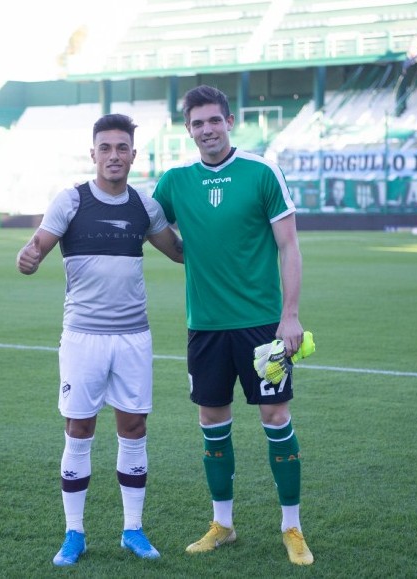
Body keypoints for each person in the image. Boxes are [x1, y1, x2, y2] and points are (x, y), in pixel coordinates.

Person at [152, 85, 314, 566]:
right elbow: (150, 224)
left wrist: (290, 315)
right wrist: (182, 254)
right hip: (204, 327)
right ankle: (222, 524)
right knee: (212, 423)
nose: (207, 130)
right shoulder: (176, 180)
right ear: (189, 130)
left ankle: (292, 527)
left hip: (263, 327)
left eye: (214, 121)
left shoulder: (261, 171)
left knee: (276, 419)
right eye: (197, 123)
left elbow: (289, 246)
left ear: (229, 121)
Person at [16, 113, 184, 567]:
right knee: (79, 429)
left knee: (134, 429)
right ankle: (75, 533)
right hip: (83, 337)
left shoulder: (144, 207)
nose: (114, 155)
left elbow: (179, 252)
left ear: (133, 154)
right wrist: (27, 258)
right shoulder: (71, 201)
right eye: (105, 148)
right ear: (93, 154)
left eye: (122, 148)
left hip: (133, 337)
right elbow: (36, 248)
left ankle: (133, 529)